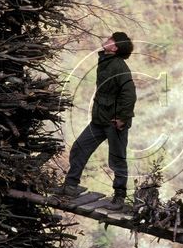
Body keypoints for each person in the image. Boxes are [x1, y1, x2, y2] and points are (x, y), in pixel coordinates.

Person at [52, 32, 137, 210]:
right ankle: (70, 186)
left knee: (117, 159)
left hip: (114, 122)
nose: (106, 40)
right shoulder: (106, 61)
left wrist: (121, 118)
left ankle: (119, 198)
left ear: (114, 48)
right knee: (80, 147)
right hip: (100, 119)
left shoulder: (119, 67)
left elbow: (129, 95)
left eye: (111, 39)